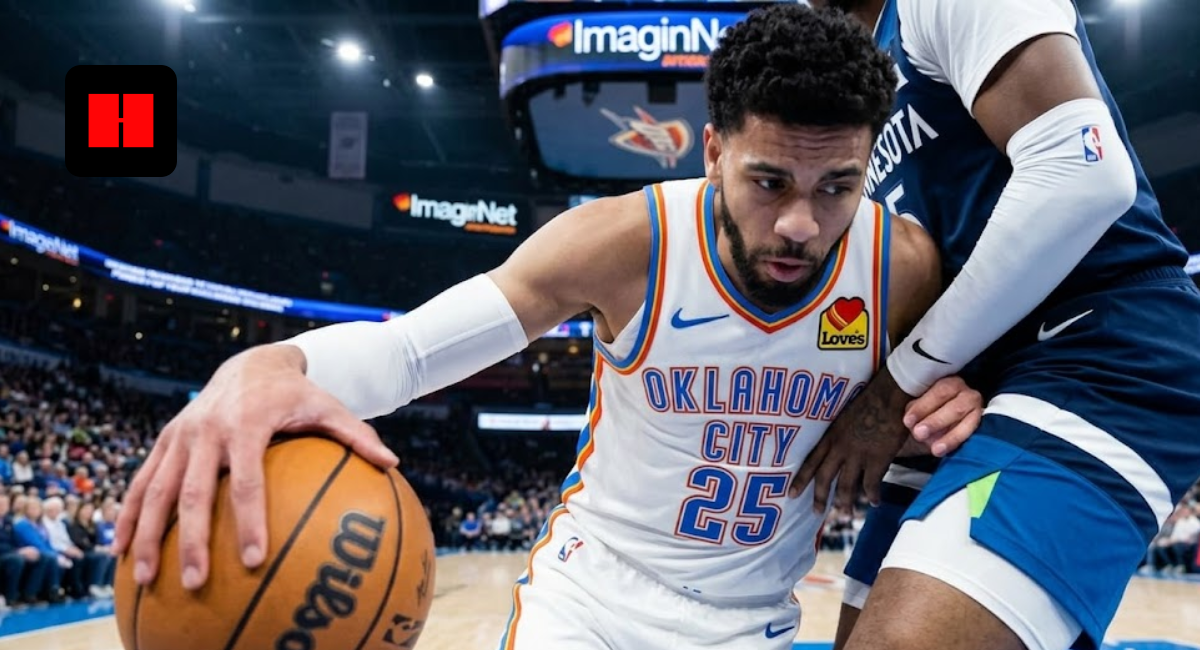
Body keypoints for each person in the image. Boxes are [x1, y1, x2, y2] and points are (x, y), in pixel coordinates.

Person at [114, 6, 983, 649]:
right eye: (769, 183)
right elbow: (413, 352)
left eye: (837, 185)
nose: (801, 222)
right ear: (712, 151)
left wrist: (951, 406)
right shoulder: (626, 244)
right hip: (591, 608)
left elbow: (936, 416)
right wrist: (270, 364)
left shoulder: (901, 266)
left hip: (756, 623)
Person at [796, 2, 1200, 650]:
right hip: (969, 386)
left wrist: (898, 383)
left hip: (1103, 347)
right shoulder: (851, 85)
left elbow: (1084, 172)